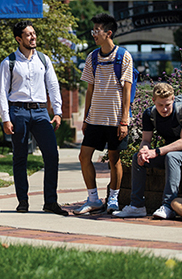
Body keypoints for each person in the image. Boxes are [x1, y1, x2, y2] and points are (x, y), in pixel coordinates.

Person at [0, 20, 68, 216]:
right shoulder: (9, 62)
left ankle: (51, 202)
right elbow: (3, 92)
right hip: (18, 112)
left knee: (52, 155)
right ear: (19, 39)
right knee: (20, 157)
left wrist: (58, 111)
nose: (33, 37)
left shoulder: (44, 60)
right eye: (28, 34)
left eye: (34, 33)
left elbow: (53, 86)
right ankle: (23, 201)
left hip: (40, 112)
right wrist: (6, 118)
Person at [74, 13, 133, 215]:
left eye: (96, 31)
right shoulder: (92, 57)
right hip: (95, 118)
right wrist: (85, 118)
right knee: (84, 156)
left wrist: (124, 120)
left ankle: (113, 200)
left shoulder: (123, 56)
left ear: (108, 33)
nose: (94, 35)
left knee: (114, 159)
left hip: (116, 119)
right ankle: (93, 199)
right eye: (93, 31)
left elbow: (127, 89)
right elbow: (89, 90)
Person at [113, 82, 182, 219]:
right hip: (172, 153)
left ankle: (168, 206)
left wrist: (157, 152)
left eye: (167, 105)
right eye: (160, 105)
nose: (164, 109)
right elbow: (146, 140)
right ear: (154, 101)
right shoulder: (150, 114)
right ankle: (137, 206)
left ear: (173, 100)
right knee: (137, 158)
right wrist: (144, 151)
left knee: (173, 157)